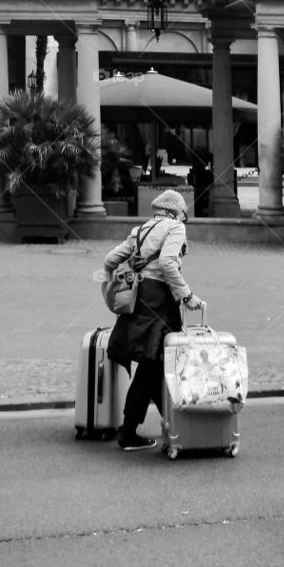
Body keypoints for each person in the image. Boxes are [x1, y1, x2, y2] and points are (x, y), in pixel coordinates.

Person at [104, 188, 204, 450]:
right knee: (152, 365)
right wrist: (187, 295)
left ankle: (174, 424)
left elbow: (110, 260)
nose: (184, 218)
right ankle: (128, 433)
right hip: (158, 303)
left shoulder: (141, 230)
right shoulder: (174, 228)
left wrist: (114, 280)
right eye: (183, 212)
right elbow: (167, 263)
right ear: (174, 211)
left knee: (157, 365)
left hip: (138, 299)